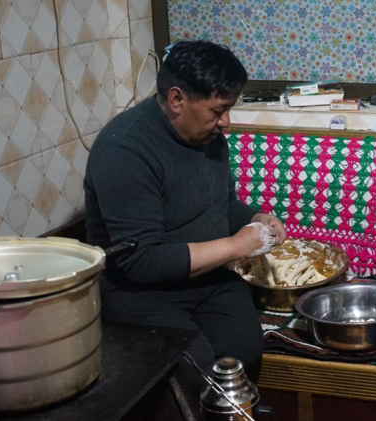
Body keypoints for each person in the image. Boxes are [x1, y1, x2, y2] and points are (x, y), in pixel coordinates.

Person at [84, 41, 286, 381]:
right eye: (218, 110)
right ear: (177, 99)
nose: (226, 123)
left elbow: (221, 205)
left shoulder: (207, 138)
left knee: (244, 353)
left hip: (209, 277)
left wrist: (255, 219)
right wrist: (235, 246)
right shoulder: (125, 149)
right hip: (140, 291)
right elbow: (143, 261)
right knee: (192, 373)